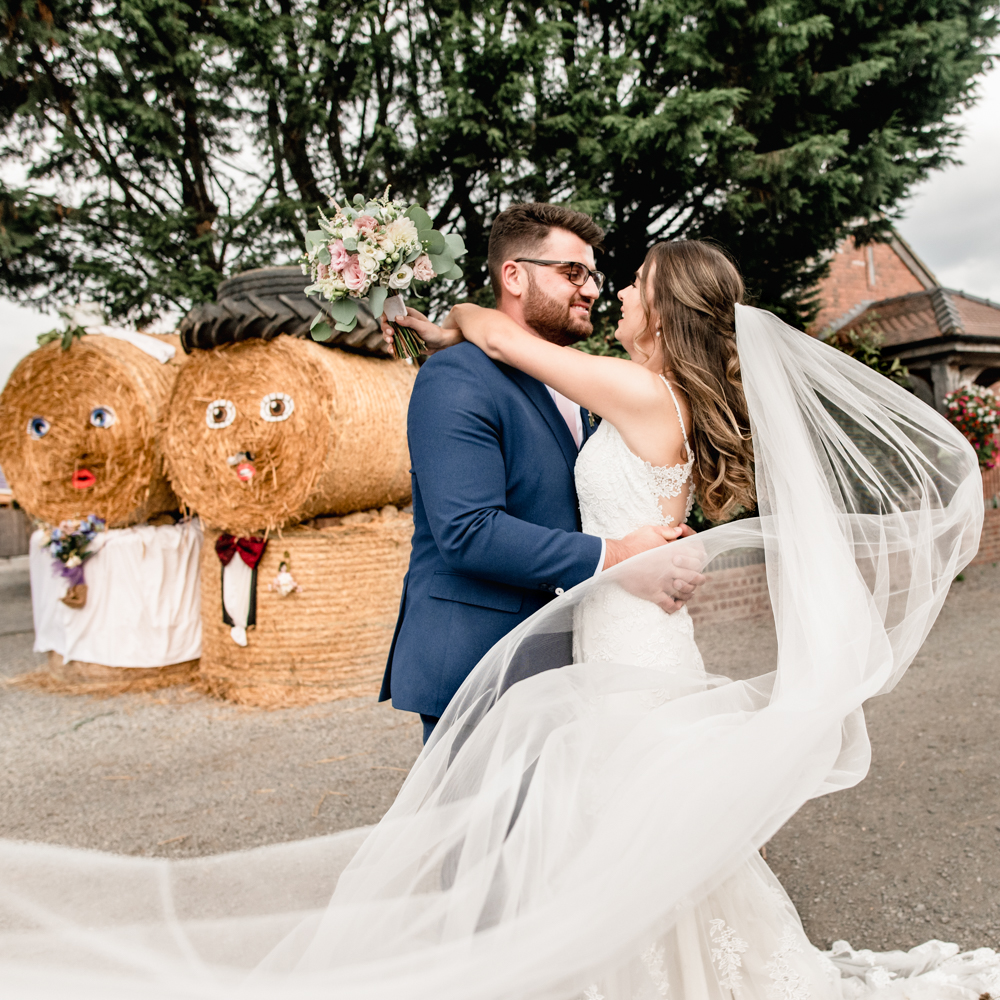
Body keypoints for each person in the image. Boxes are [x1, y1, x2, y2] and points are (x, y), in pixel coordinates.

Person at [0, 237, 990, 1000]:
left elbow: (505, 337)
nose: (622, 293)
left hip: (632, 649)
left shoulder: (638, 388)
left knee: (614, 832)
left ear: (666, 312)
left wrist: (453, 310)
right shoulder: (653, 391)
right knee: (631, 841)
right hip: (625, 631)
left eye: (636, 281)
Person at [379, 203, 702, 743]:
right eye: (572, 273)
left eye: (595, 276)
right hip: (481, 660)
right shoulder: (456, 374)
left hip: (575, 654)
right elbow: (468, 531)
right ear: (514, 275)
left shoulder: (588, 385)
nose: (595, 290)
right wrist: (622, 556)